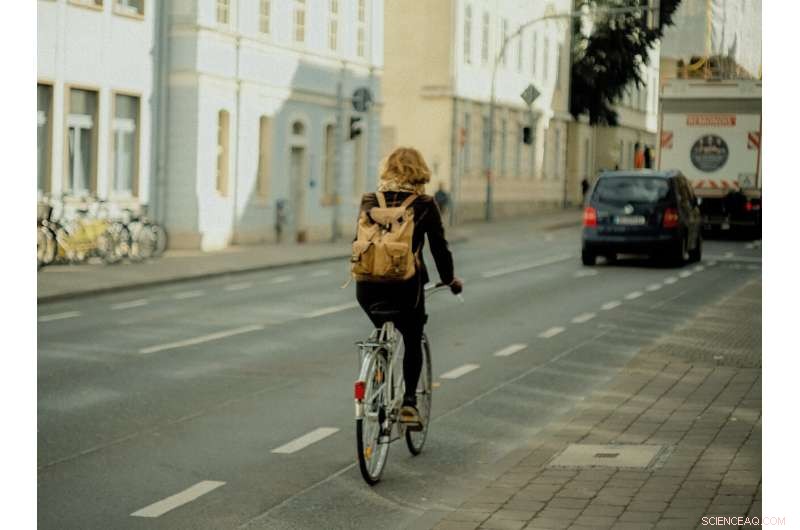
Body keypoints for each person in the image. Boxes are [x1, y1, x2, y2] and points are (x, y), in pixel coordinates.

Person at [355, 147, 463, 425]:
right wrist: (450, 279)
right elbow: (440, 248)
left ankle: (376, 378)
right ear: (419, 173)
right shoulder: (424, 204)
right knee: (413, 336)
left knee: (381, 328)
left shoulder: (370, 200)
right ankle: (409, 404)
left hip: (366, 286)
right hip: (405, 288)